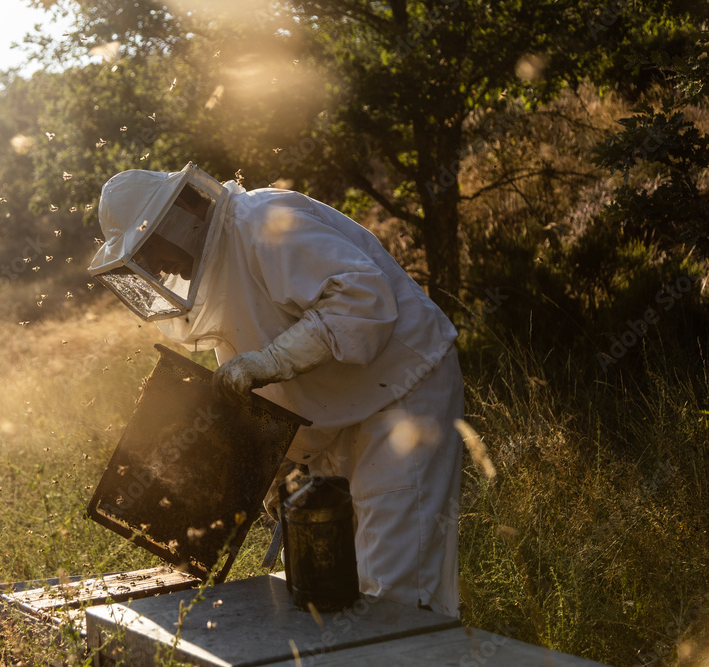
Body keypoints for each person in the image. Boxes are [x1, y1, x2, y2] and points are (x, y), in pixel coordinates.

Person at [88, 163, 464, 618]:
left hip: (401, 396)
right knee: (318, 586)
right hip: (329, 419)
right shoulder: (217, 270)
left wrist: (272, 362)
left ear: (181, 212)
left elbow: (362, 299)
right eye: (140, 260)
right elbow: (261, 370)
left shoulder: (263, 221)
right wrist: (277, 462)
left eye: (150, 248)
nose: (155, 266)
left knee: (391, 586)